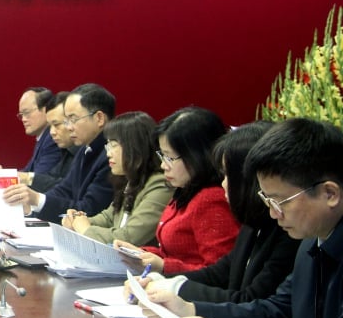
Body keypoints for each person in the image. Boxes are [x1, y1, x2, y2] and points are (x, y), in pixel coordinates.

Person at [143, 118, 343, 318]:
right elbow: (276, 312)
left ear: (330, 194)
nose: (273, 213)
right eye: (267, 199)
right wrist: (190, 310)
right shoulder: (312, 239)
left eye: (281, 201)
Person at [139, 121, 300, 303]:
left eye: (227, 176)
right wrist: (163, 280)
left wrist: (174, 287)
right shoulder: (252, 223)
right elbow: (220, 271)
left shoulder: (289, 231)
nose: (222, 184)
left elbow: (252, 301)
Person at [114, 107, 238, 274]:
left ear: (197, 155)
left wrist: (163, 266)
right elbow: (173, 253)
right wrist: (142, 254)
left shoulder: (211, 199)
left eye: (170, 157)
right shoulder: (185, 190)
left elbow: (217, 273)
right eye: (162, 156)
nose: (164, 165)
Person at [2, 83, 115, 222]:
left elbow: (90, 210)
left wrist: (37, 200)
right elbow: (64, 190)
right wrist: (33, 205)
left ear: (99, 118)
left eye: (73, 119)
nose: (69, 127)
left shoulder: (112, 156)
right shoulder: (85, 150)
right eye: (66, 121)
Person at [63, 111, 171, 245]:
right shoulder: (130, 180)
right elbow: (108, 217)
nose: (108, 153)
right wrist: (76, 220)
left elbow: (129, 237)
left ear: (134, 146)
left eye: (113, 145)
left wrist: (85, 229)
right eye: (107, 146)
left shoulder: (159, 184)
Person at [0, 87, 62, 179]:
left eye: (27, 113)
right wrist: (1, 173)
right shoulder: (42, 137)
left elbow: (38, 178)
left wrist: (3, 175)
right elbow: (28, 172)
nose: (24, 119)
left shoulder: (52, 138)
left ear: (46, 110)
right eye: (21, 115)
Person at [22, 91, 78, 193]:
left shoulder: (86, 151)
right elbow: (51, 178)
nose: (52, 132)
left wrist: (24, 178)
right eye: (50, 126)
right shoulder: (67, 151)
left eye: (56, 125)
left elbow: (67, 188)